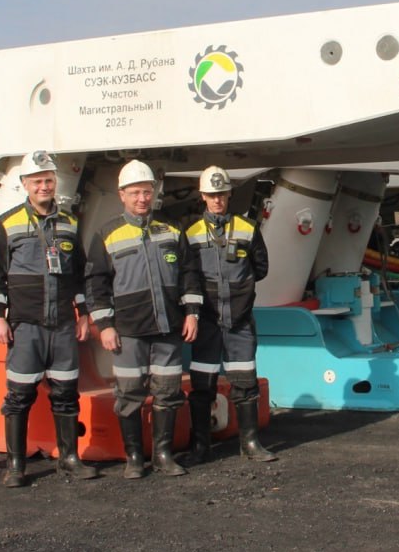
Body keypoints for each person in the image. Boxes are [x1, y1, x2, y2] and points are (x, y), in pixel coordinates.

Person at [0, 151, 100, 487]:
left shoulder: (69, 222)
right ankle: (15, 465)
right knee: (18, 397)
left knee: (66, 393)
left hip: (62, 324)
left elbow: (79, 274)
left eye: (48, 179)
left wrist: (83, 314)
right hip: (25, 324)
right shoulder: (7, 223)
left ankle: (69, 458)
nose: (44, 186)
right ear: (25, 184)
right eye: (37, 181)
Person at [85, 160, 202, 478]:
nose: (142, 198)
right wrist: (105, 326)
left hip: (168, 328)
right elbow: (96, 284)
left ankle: (163, 455)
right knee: (129, 395)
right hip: (129, 331)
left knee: (168, 392)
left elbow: (189, 273)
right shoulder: (107, 234)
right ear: (122, 194)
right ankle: (134, 458)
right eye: (135, 192)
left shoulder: (172, 229)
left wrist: (192, 313)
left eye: (147, 192)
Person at [185, 166, 277, 463]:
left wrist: (240, 293)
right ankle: (201, 447)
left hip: (239, 322)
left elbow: (261, 268)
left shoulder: (248, 228)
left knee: (245, 383)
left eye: (222, 195)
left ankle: (249, 443)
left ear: (229, 195)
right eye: (212, 195)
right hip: (207, 321)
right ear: (203, 196)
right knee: (202, 386)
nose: (217, 200)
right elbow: (187, 276)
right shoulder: (190, 233)